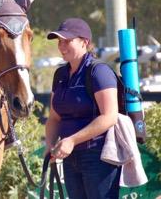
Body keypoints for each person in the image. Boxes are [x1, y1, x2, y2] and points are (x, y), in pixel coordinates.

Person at [45, 18, 121, 199]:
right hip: (70, 159)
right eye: (59, 42)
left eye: (67, 41)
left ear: (84, 42)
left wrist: (71, 140)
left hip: (98, 157)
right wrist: (50, 146)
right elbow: (55, 118)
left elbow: (109, 116)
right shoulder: (60, 74)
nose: (61, 46)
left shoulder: (99, 72)